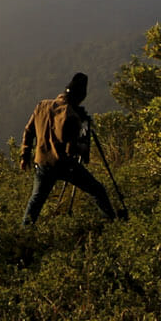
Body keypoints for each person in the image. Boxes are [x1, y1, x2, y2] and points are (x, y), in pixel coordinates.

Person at [21, 72, 121, 225]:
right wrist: (83, 146)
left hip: (42, 162)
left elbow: (28, 131)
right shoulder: (72, 116)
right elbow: (70, 149)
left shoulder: (42, 105)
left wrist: (25, 155)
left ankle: (24, 230)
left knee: (36, 200)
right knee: (97, 190)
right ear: (79, 97)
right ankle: (111, 222)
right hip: (64, 165)